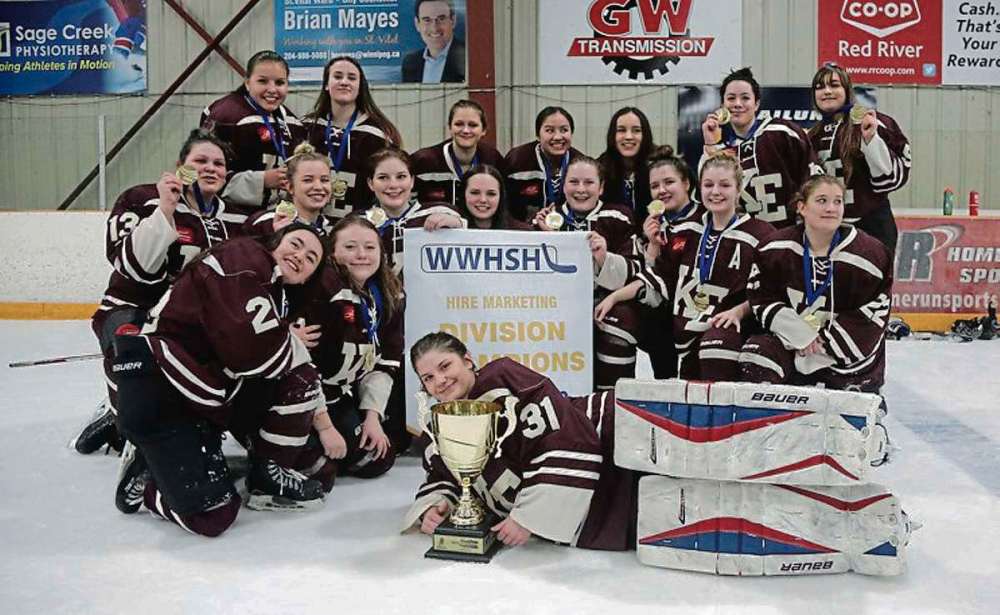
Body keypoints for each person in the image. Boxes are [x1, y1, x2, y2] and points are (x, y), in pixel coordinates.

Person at [113, 224, 332, 537]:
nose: (300, 256)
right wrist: (286, 341)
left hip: (204, 398)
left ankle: (266, 474)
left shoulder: (276, 292)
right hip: (162, 389)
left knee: (305, 398)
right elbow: (249, 352)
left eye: (311, 258)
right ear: (274, 242)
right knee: (215, 515)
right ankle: (150, 482)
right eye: (295, 244)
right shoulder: (245, 256)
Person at [74, 129, 250, 455]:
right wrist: (165, 211)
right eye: (200, 161)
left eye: (219, 163)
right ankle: (125, 422)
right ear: (181, 166)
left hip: (192, 320)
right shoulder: (141, 199)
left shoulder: (238, 219)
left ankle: (145, 417)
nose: (211, 168)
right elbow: (132, 267)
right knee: (130, 345)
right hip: (133, 306)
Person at [403, 331, 636, 551]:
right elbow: (445, 477)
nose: (440, 380)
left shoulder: (502, 377)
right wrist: (435, 507)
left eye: (445, 366)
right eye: (428, 378)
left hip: (616, 437)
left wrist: (530, 516)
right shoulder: (438, 428)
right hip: (608, 495)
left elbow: (566, 436)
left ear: (467, 360)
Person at [596, 153, 775, 381]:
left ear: (739, 188)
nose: (715, 192)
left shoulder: (761, 234)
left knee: (715, 353)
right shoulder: (686, 230)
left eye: (725, 185)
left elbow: (770, 291)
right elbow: (659, 276)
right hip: (684, 333)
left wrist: (738, 311)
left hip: (725, 333)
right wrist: (613, 298)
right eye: (709, 185)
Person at [740, 176, 892, 393]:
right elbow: (761, 297)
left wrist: (823, 346)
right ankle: (764, 420)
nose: (831, 208)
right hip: (792, 347)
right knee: (758, 353)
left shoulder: (871, 256)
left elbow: (874, 314)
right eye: (822, 200)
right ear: (802, 207)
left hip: (845, 362)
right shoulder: (774, 248)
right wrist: (801, 335)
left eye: (838, 201)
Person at [289, 216, 406, 484]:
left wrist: (372, 417)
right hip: (299, 394)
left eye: (369, 247)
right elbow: (301, 368)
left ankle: (317, 446)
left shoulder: (388, 296)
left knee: (378, 459)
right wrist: (325, 427)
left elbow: (385, 362)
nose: (361, 255)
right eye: (350, 247)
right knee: (320, 472)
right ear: (332, 252)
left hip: (338, 395)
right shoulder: (321, 287)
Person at [533, 155, 639, 390]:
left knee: (621, 320)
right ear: (563, 186)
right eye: (574, 182)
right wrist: (547, 240)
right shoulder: (547, 219)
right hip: (556, 304)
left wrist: (603, 258)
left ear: (601, 188)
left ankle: (611, 400)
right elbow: (532, 276)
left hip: (605, 303)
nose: (581, 189)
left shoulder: (618, 217)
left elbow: (635, 271)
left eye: (589, 183)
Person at [808, 63, 911, 253]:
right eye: (820, 87)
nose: (827, 91)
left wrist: (870, 140)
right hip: (830, 230)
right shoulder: (812, 136)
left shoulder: (872, 121)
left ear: (847, 89)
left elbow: (890, 180)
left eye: (834, 85)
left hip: (872, 227)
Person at [700, 67, 820, 228]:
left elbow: (813, 177)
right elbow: (709, 193)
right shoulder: (721, 149)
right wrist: (710, 144)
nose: (737, 104)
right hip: (747, 239)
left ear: (756, 104)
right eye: (731, 98)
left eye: (745, 98)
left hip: (791, 234)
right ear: (722, 105)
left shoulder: (781, 132)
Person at [630, 145, 704, 380]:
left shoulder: (704, 218)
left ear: (687, 184)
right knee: (648, 315)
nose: (661, 190)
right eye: (654, 186)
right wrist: (651, 245)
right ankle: (664, 383)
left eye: (669, 182)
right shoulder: (653, 224)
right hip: (667, 306)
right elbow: (651, 275)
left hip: (700, 306)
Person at [201, 50, 306, 209]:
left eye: (279, 82)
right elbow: (204, 174)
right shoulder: (226, 116)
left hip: (279, 216)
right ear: (247, 82)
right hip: (232, 218)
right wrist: (262, 180)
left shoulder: (293, 123)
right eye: (263, 81)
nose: (272, 89)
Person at [303, 56, 402, 219]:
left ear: (360, 86)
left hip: (360, 225)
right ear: (326, 85)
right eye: (337, 76)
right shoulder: (307, 127)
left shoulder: (379, 135)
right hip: (312, 224)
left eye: (351, 78)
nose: (344, 82)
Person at [365, 148, 465, 276]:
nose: (393, 185)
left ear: (412, 181)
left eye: (401, 176)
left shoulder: (441, 213)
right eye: (383, 177)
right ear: (371, 183)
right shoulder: (359, 222)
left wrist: (458, 225)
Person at [412, 99, 505, 207]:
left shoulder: (493, 159)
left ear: (483, 130)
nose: (465, 130)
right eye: (459, 124)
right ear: (450, 128)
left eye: (473, 125)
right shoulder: (423, 161)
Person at [505, 106, 583, 222]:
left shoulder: (581, 164)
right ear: (538, 135)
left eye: (564, 130)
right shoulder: (517, 160)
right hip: (524, 233)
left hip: (568, 231)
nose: (557, 137)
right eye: (549, 130)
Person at [244, 143, 336, 236]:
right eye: (308, 180)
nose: (318, 187)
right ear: (290, 186)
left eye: (324, 180)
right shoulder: (264, 223)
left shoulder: (334, 232)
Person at [598, 107, 655, 230]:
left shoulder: (659, 167)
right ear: (613, 135)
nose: (628, 136)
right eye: (621, 130)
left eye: (636, 130)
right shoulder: (599, 169)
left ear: (645, 135)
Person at [401, 0, 466, 83]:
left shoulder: (468, 58)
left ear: (453, 20)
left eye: (441, 19)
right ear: (417, 24)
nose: (434, 28)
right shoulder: (410, 63)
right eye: (427, 20)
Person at [457, 165, 532, 230]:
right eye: (475, 193)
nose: (483, 200)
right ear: (463, 194)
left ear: (501, 196)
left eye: (491, 194)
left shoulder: (523, 232)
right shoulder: (449, 225)